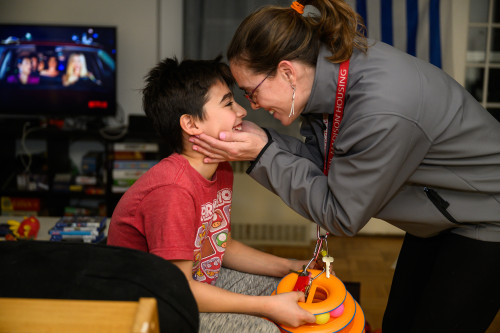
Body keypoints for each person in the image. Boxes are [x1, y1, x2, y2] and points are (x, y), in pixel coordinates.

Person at [189, 1, 500, 332]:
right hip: (439, 215)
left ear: (287, 72)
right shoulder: (326, 77)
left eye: (252, 93)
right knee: (398, 323)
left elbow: (341, 213)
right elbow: (322, 164)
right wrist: (263, 143)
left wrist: (263, 152)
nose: (252, 107)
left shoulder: (382, 109)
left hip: (486, 214)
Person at [106, 56, 317, 333]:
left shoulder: (221, 168)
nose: (242, 111)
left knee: (291, 291)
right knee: (266, 328)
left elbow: (218, 243)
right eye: (228, 103)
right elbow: (178, 289)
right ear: (191, 125)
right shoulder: (172, 191)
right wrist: (267, 307)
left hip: (196, 285)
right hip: (155, 306)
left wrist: (289, 266)